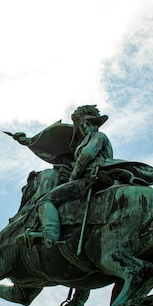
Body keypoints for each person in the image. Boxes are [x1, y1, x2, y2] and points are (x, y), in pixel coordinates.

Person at [17, 105, 115, 248]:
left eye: (80, 126)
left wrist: (73, 176)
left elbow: (86, 155)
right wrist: (27, 141)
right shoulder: (95, 138)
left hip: (90, 180)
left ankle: (49, 235)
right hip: (96, 177)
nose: (80, 129)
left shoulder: (97, 136)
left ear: (86, 124)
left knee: (46, 200)